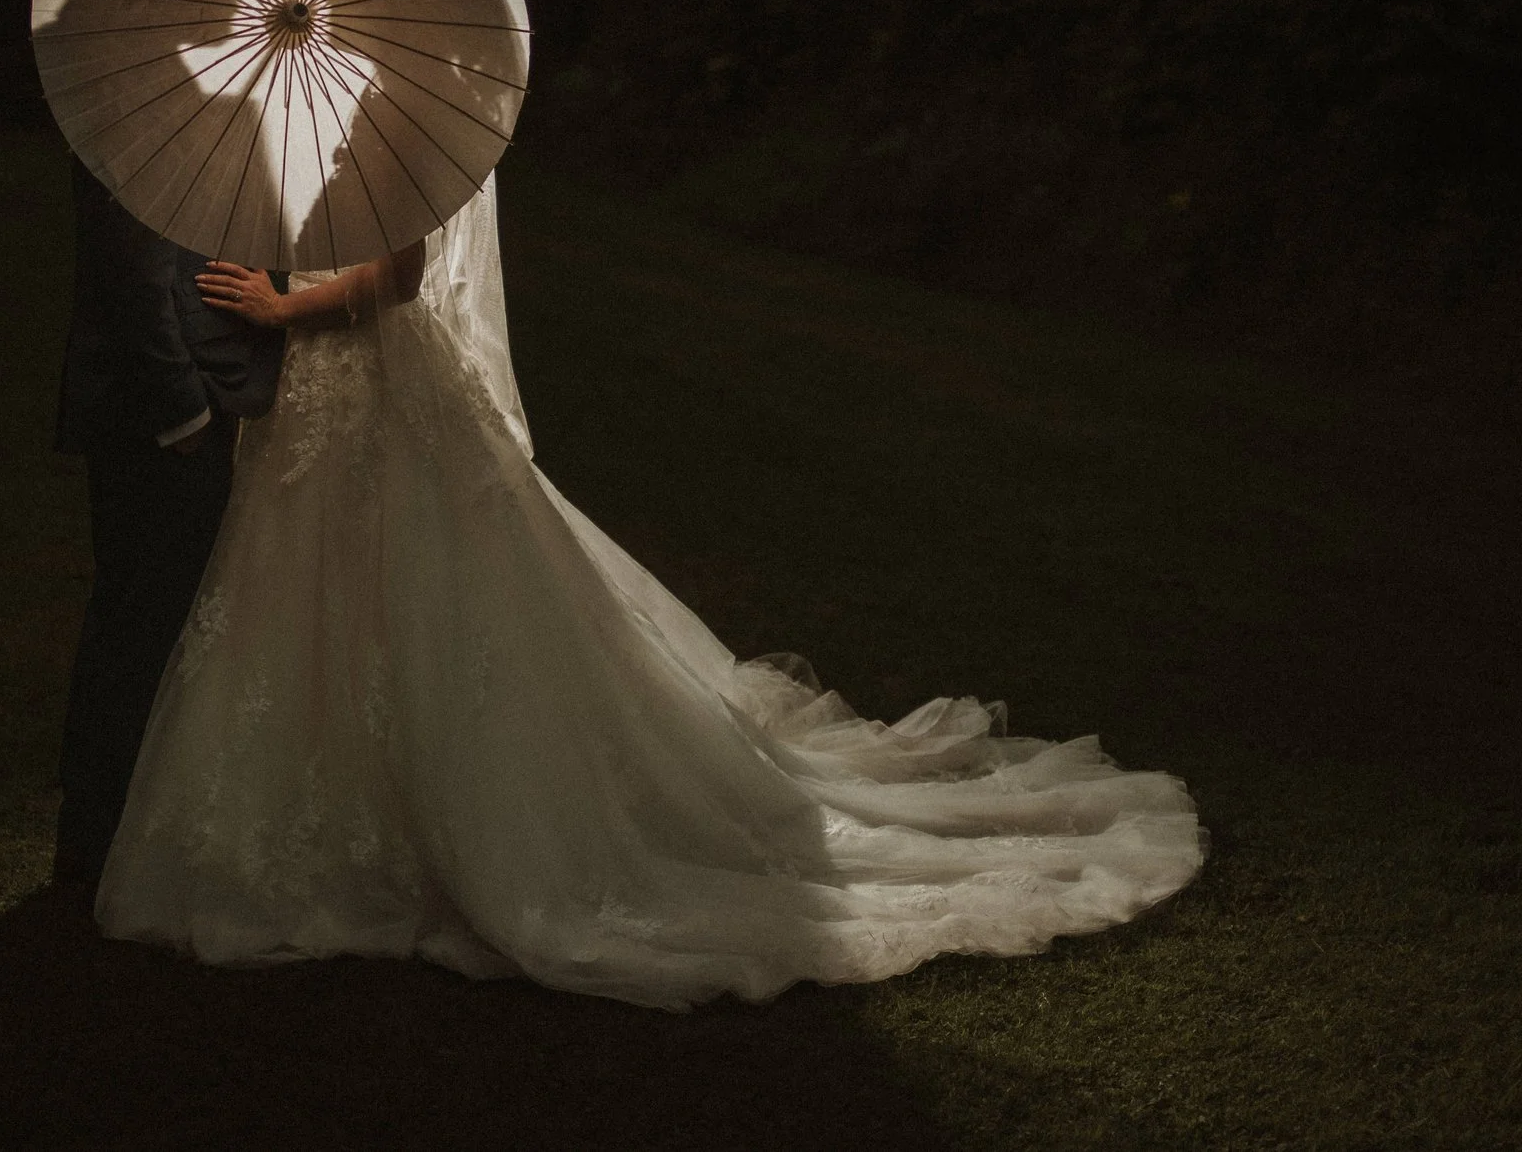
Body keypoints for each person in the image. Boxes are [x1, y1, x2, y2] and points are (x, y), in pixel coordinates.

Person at [94, 175, 1204, 1010]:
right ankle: (327, 823)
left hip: (381, 379)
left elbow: (401, 273)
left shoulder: (403, 104)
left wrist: (288, 310)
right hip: (316, 408)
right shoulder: (310, 105)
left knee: (429, 599)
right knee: (312, 600)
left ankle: (455, 827)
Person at [50, 156, 285, 885]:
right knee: (140, 625)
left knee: (160, 621)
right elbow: (132, 265)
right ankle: (97, 840)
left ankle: (126, 828)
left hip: (204, 393)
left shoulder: (195, 110)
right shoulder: (138, 116)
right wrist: (180, 408)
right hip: (159, 409)